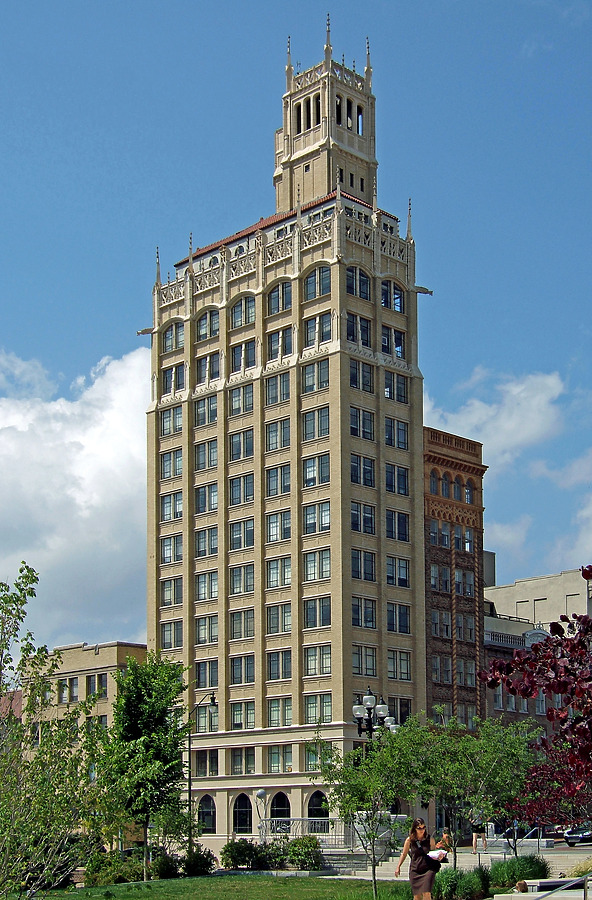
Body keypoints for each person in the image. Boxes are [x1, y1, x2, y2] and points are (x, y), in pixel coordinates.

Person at [394, 817, 447, 900]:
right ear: (414, 828)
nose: (422, 830)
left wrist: (440, 856)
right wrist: (398, 867)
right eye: (419, 828)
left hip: (428, 869)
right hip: (415, 869)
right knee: (417, 896)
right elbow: (404, 854)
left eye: (423, 827)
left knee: (427, 893)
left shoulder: (430, 839)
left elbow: (433, 854)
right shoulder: (410, 840)